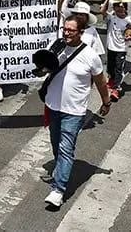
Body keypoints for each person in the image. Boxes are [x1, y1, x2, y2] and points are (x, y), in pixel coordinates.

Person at [43, 15, 111, 208]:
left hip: (74, 111)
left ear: (81, 32)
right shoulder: (56, 47)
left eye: (71, 30)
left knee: (66, 148)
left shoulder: (90, 56)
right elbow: (43, 69)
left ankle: (58, 190)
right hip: (53, 106)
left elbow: (100, 81)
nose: (66, 33)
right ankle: (60, 169)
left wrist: (106, 102)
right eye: (65, 29)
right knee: (56, 143)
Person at [100, 0, 131, 100]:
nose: (120, 9)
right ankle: (111, 80)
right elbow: (102, 10)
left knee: (119, 68)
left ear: (125, 9)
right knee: (110, 67)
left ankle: (116, 88)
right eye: (117, 6)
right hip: (110, 47)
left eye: (122, 7)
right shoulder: (111, 17)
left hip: (121, 49)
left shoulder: (128, 21)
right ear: (114, 8)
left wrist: (130, 36)